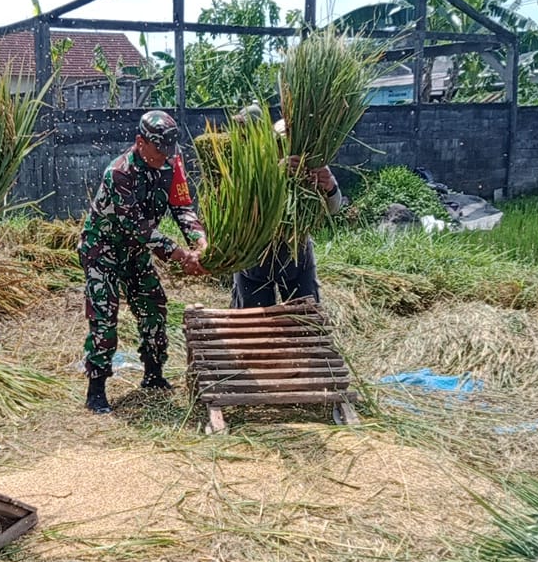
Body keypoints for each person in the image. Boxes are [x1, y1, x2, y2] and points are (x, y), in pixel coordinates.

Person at [78, 110, 208, 415]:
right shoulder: (119, 173)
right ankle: (96, 390)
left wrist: (200, 241)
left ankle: (153, 374)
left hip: (137, 252)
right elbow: (137, 227)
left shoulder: (171, 164)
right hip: (103, 251)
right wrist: (180, 255)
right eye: (159, 150)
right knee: (104, 318)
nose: (164, 156)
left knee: (154, 308)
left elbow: (182, 206)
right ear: (140, 142)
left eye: (168, 151)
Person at [229, 105, 343, 308]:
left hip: (296, 256)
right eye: (280, 142)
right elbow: (240, 209)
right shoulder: (249, 163)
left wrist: (330, 186)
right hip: (252, 257)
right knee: (253, 326)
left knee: (306, 321)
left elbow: (334, 208)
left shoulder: (311, 163)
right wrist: (275, 176)